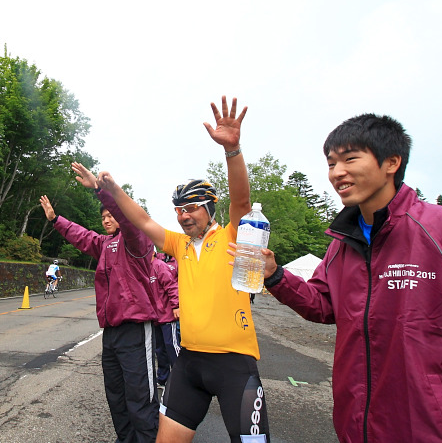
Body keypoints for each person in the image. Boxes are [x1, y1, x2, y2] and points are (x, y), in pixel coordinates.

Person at [251, 114, 442, 442]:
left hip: (435, 431)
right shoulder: (342, 243)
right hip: (357, 426)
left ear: (392, 162)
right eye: (331, 163)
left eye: (350, 159)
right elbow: (323, 305)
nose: (337, 172)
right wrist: (275, 275)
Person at [97, 96, 270, 443]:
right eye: (178, 210)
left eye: (191, 208)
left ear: (209, 209)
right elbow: (143, 220)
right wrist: (113, 190)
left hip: (234, 363)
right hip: (189, 362)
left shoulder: (232, 236)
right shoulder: (179, 245)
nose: (183, 215)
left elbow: (241, 201)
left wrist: (233, 151)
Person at [40, 161, 160, 443]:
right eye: (103, 216)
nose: (106, 219)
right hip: (111, 332)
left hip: (135, 328)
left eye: (111, 215)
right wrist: (56, 220)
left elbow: (130, 220)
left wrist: (100, 191)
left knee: (140, 395)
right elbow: (82, 236)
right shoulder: (105, 245)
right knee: (116, 395)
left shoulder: (137, 241)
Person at [150, 250, 181, 388]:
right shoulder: (144, 268)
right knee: (159, 350)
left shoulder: (160, 266)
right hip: (155, 318)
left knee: (172, 346)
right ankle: (163, 379)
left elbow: (172, 287)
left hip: (167, 316)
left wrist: (176, 306)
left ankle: (182, 378)